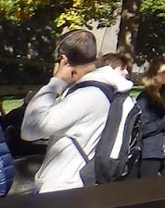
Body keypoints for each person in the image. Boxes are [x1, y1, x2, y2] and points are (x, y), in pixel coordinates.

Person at [21, 29, 132, 194]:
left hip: (63, 188)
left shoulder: (86, 96)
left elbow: (30, 130)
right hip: (77, 185)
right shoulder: (105, 89)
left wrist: (56, 82)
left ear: (63, 59)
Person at [131, 58, 165, 179]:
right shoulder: (145, 98)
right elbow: (144, 128)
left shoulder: (163, 94)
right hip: (151, 153)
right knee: (146, 189)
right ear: (154, 74)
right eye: (164, 72)